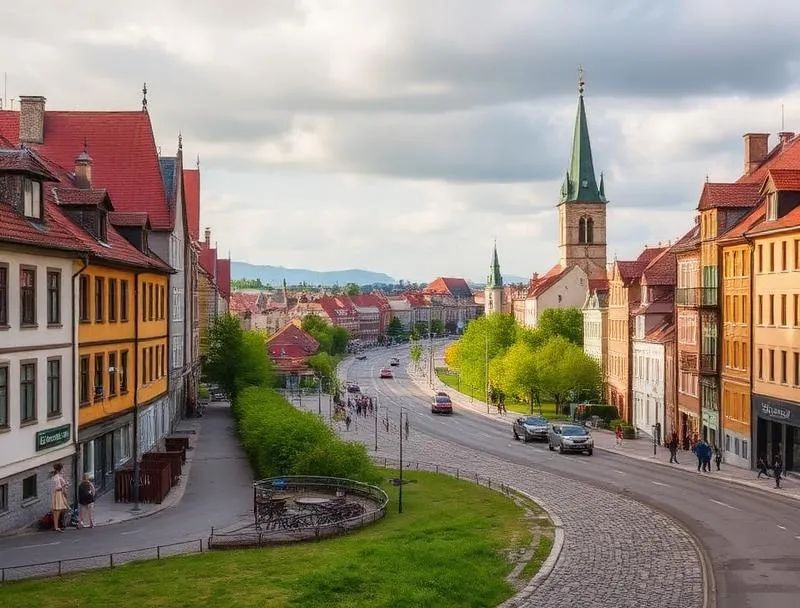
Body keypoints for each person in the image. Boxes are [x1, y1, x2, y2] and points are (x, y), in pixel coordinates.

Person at [50, 463, 69, 532]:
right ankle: (57, 526)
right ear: (59, 470)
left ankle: (57, 525)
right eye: (62, 469)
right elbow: (57, 488)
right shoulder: (56, 478)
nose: (62, 470)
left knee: (58, 510)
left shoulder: (57, 476)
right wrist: (65, 485)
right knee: (57, 510)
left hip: (59, 494)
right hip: (58, 494)